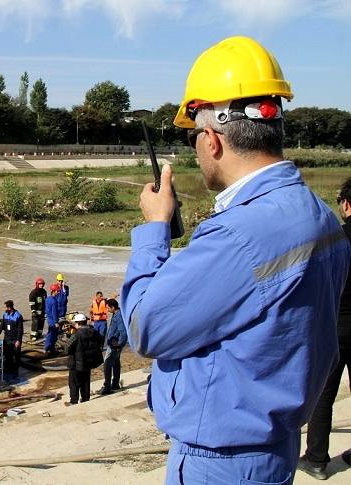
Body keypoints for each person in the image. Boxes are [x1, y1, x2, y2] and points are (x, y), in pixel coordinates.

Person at [120, 36, 350, 484]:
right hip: (274, 446)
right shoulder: (319, 216)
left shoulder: (240, 235)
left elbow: (145, 327)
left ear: (212, 139)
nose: (195, 148)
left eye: (192, 137)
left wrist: (154, 229)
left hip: (221, 461)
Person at [298, 177, 351, 480]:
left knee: (323, 395)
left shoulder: (336, 240)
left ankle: (317, 458)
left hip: (336, 326)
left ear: (346, 204)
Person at [65, 313, 101, 406]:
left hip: (76, 363)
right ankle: (85, 399)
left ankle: (74, 401)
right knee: (85, 381)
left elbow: (67, 349)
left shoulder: (77, 334)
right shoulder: (93, 332)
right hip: (88, 361)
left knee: (74, 383)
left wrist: (68, 335)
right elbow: (100, 340)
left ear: (77, 323)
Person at [97, 299, 127, 395]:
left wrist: (119, 344)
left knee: (107, 364)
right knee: (115, 363)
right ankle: (115, 384)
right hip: (114, 343)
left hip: (114, 345)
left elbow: (123, 332)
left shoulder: (118, 316)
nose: (106, 309)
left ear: (113, 307)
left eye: (107, 307)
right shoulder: (117, 314)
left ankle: (107, 386)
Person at [0, 300, 24, 381]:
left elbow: (20, 330)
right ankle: (8, 369)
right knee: (7, 355)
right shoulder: (5, 315)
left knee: (16, 356)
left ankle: (15, 372)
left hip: (15, 339)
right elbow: (2, 325)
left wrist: (18, 340)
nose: (4, 309)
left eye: (5, 307)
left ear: (9, 308)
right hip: (7, 339)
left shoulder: (18, 316)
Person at [28, 277, 47, 341]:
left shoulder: (44, 292)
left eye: (42, 284)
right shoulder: (33, 293)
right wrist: (33, 311)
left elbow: (45, 302)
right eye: (40, 284)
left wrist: (46, 311)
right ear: (37, 284)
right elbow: (32, 303)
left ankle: (39, 334)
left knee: (41, 324)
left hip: (42, 312)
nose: (41, 285)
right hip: (35, 312)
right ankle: (33, 336)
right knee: (35, 324)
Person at [44, 283, 60, 354]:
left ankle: (47, 347)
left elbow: (46, 310)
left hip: (49, 319)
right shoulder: (54, 301)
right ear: (54, 291)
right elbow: (54, 312)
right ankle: (51, 349)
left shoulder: (47, 299)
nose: (58, 292)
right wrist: (56, 322)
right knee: (53, 335)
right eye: (58, 291)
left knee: (49, 333)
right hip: (53, 320)